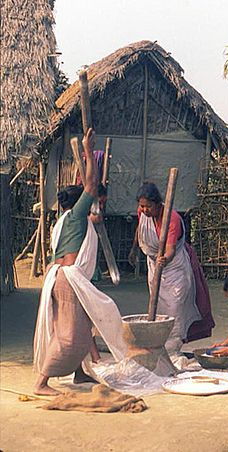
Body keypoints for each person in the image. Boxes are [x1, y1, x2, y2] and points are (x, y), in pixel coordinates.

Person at [33, 128, 126, 396]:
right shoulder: (75, 217)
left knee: (84, 327)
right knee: (70, 334)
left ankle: (80, 371)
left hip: (62, 278)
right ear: (80, 206)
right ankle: (41, 382)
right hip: (68, 280)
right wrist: (88, 151)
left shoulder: (62, 223)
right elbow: (92, 186)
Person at [128, 182, 214, 354]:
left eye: (148, 206)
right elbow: (141, 229)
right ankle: (159, 346)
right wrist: (134, 249)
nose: (144, 210)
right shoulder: (142, 213)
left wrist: (164, 260)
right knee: (159, 307)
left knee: (175, 309)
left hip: (175, 269)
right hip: (154, 267)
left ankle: (173, 349)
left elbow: (170, 250)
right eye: (141, 206)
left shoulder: (172, 219)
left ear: (157, 204)